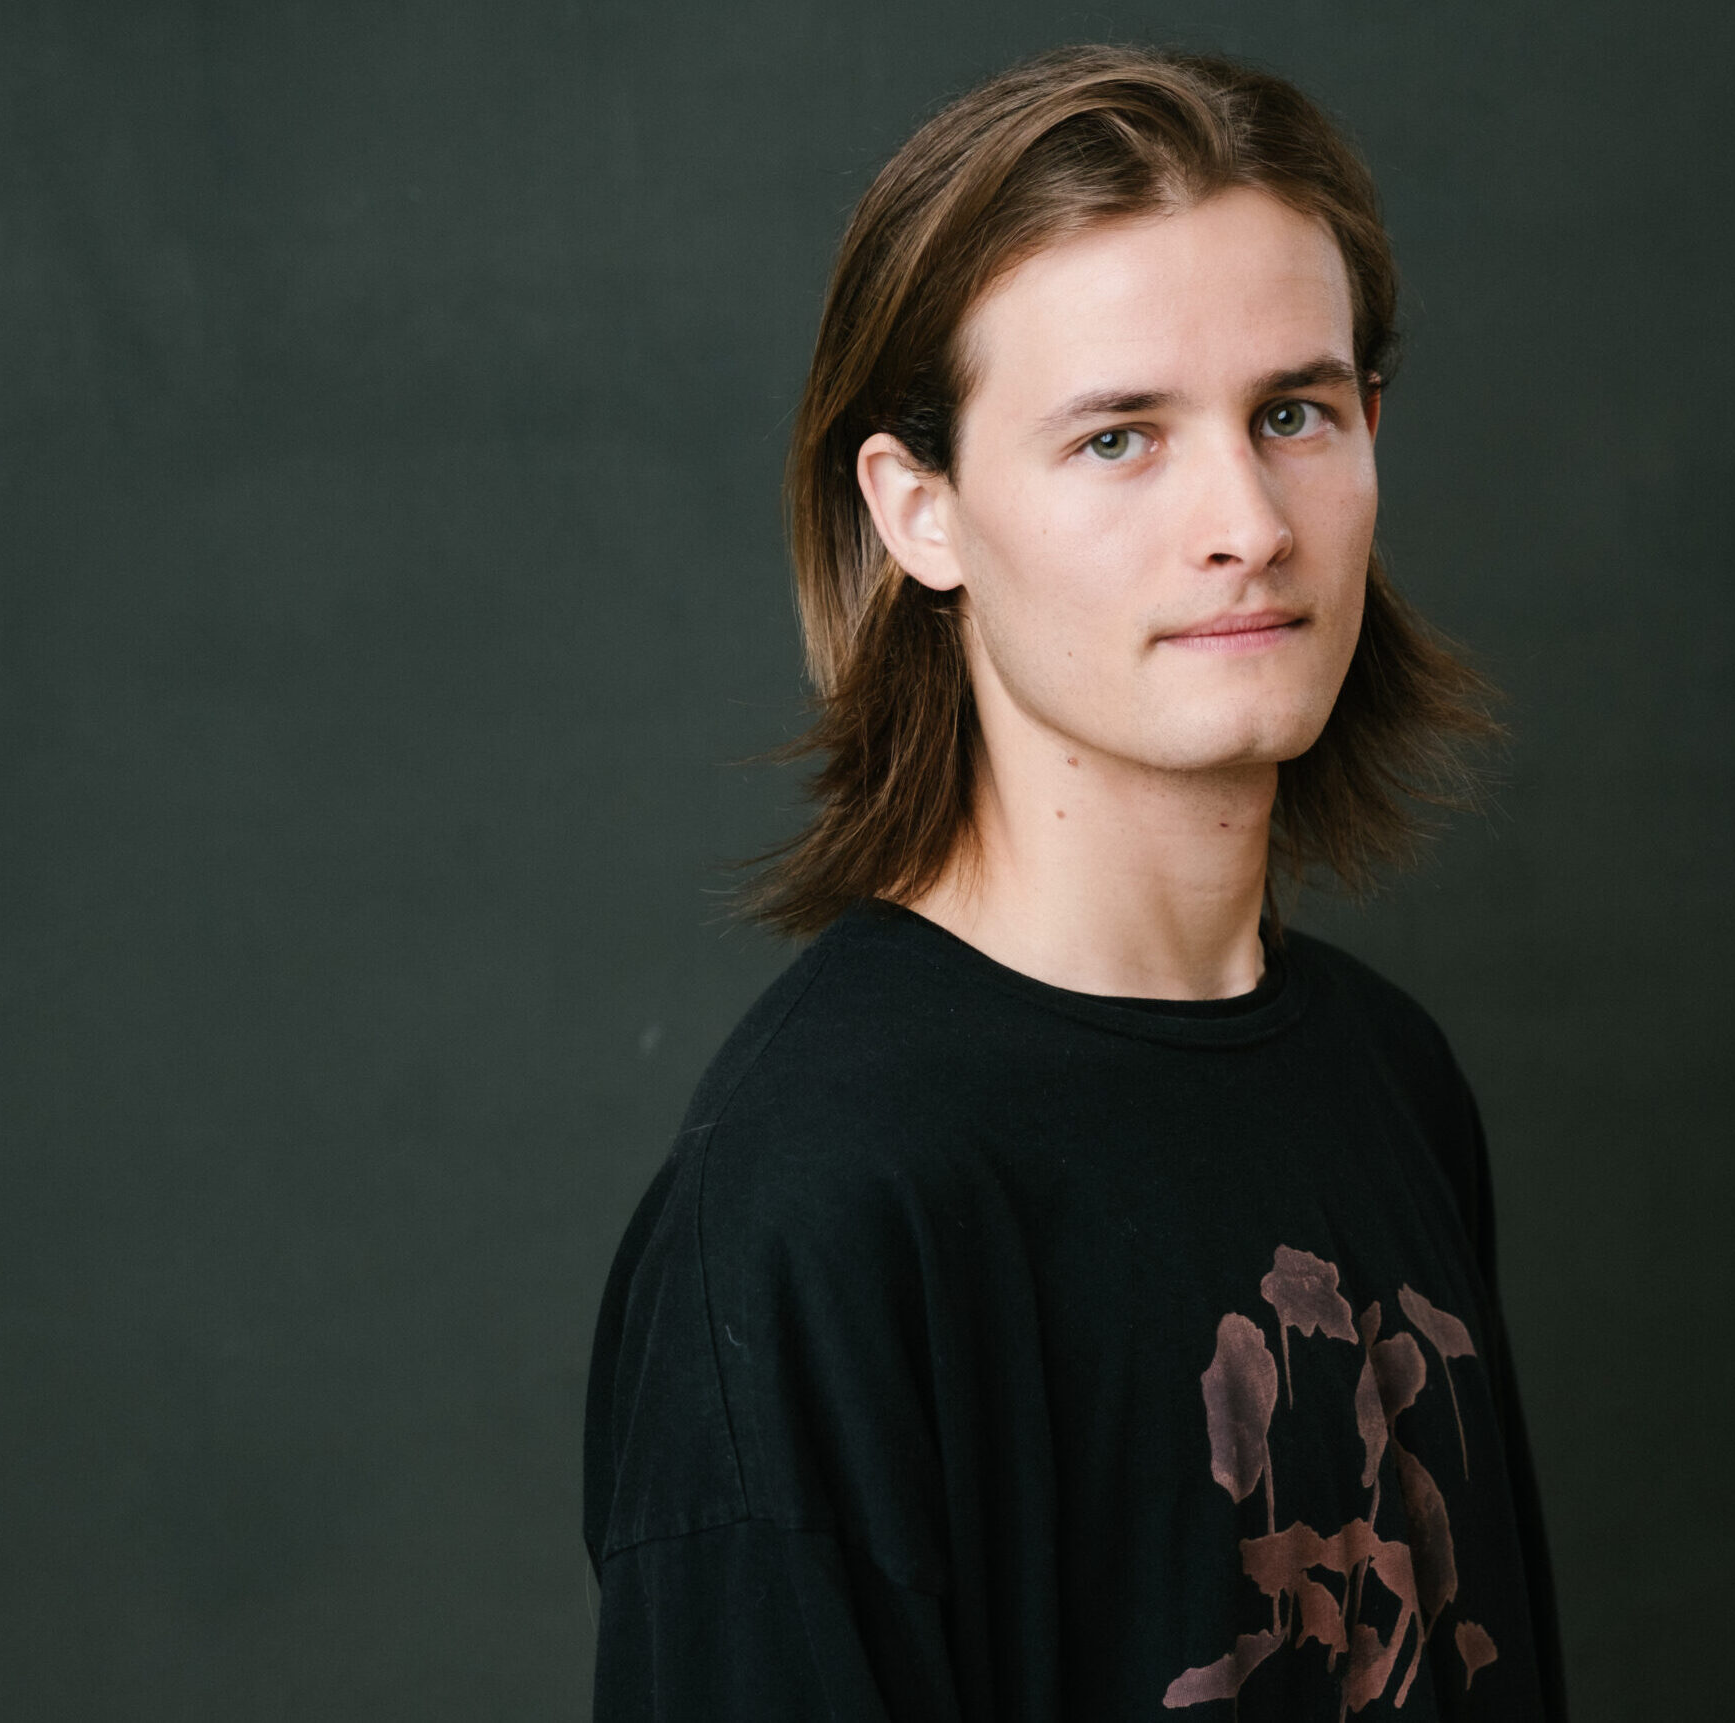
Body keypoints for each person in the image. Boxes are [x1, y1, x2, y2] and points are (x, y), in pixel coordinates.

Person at [582, 44, 1564, 1721]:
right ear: (922, 513)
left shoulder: (1389, 1078)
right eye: (1119, 439)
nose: (1248, 521)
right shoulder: (814, 1207)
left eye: (1294, 413)